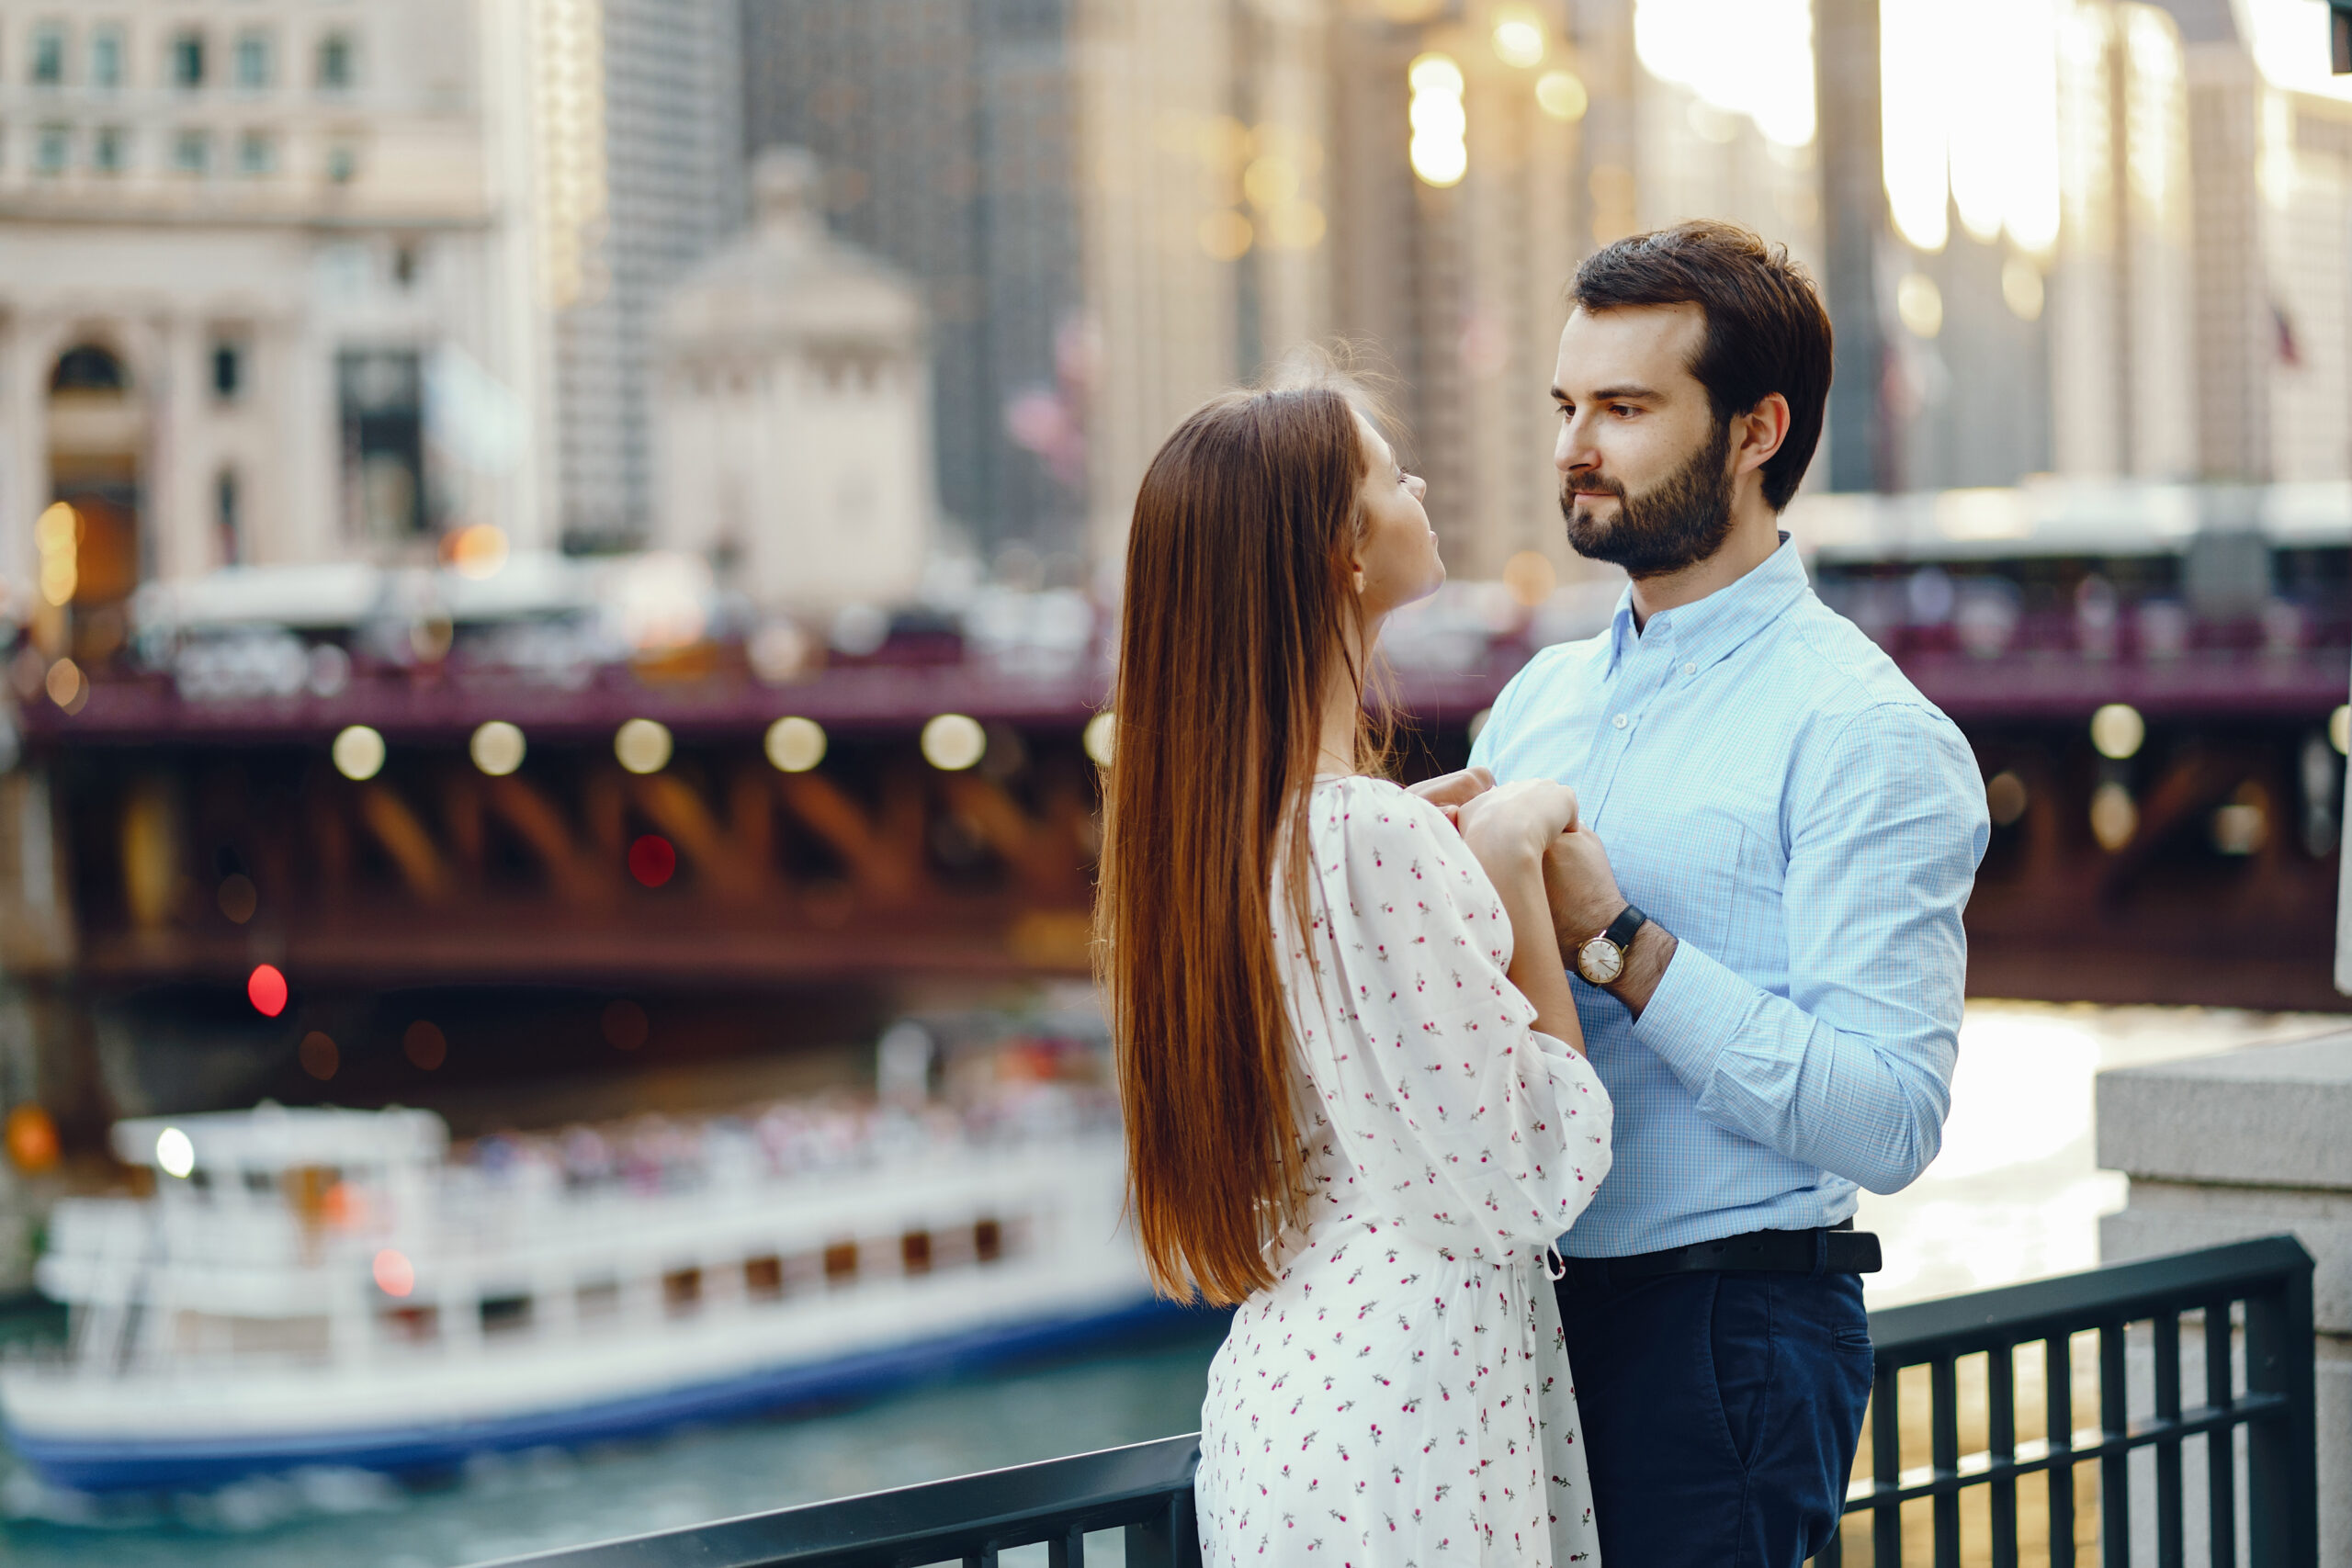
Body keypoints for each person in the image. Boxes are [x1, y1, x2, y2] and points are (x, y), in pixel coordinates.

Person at [1421, 221, 1991, 1563]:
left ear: (1755, 430)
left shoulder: (1863, 730)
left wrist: (1615, 942)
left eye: (1624, 408)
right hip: (1513, 1328)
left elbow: (1892, 1121)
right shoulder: (1535, 699)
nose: (1575, 446)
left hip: (1722, 1340)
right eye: (1567, 405)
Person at [1098, 378, 1614, 1565]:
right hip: (1412, 1433)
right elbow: (1535, 1168)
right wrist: (1508, 859)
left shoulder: (1233, 846)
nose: (1416, 489)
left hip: (1282, 1418)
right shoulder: (1362, 840)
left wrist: (1425, 853)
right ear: (1340, 549)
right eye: (1390, 475)